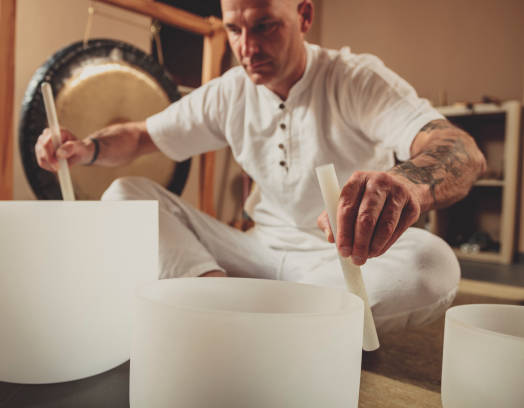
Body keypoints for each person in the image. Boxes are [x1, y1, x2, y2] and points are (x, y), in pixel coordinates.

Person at [35, 0, 486, 333]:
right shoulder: (229, 90)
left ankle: (233, 318)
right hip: (253, 254)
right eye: (234, 30)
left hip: (339, 263)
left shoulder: (354, 78)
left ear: (304, 17)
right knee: (124, 196)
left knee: (434, 263)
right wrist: (85, 148)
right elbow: (139, 136)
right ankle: (229, 303)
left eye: (265, 26)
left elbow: (459, 148)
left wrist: (407, 182)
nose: (246, 47)